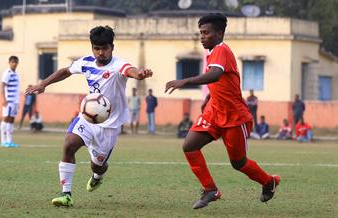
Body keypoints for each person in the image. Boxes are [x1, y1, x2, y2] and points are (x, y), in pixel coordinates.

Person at [26, 26, 153, 207]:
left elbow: (131, 70)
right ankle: (66, 194)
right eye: (96, 48)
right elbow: (65, 71)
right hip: (87, 117)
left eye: (105, 48)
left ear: (112, 47)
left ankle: (97, 176)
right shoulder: (86, 62)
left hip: (109, 125)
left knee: (97, 165)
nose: (100, 52)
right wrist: (43, 83)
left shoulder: (118, 65)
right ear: (92, 48)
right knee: (69, 144)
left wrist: (140, 74)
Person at [165, 13, 280, 209]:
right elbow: (223, 81)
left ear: (219, 33)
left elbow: (216, 74)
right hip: (214, 112)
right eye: (200, 33)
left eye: (206, 33)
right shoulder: (212, 52)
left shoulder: (221, 50)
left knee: (238, 163)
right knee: (189, 146)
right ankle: (210, 190)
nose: (202, 36)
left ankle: (269, 182)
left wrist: (185, 81)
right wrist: (209, 98)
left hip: (235, 117)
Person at [0, 56, 20, 148]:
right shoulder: (7, 73)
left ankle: (10, 141)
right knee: (6, 119)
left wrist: (18, 102)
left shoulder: (16, 74)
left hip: (15, 101)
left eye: (16, 62)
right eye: (12, 62)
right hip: (9, 101)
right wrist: (4, 99)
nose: (14, 64)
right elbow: (2, 86)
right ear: (9, 62)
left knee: (11, 120)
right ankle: (3, 141)